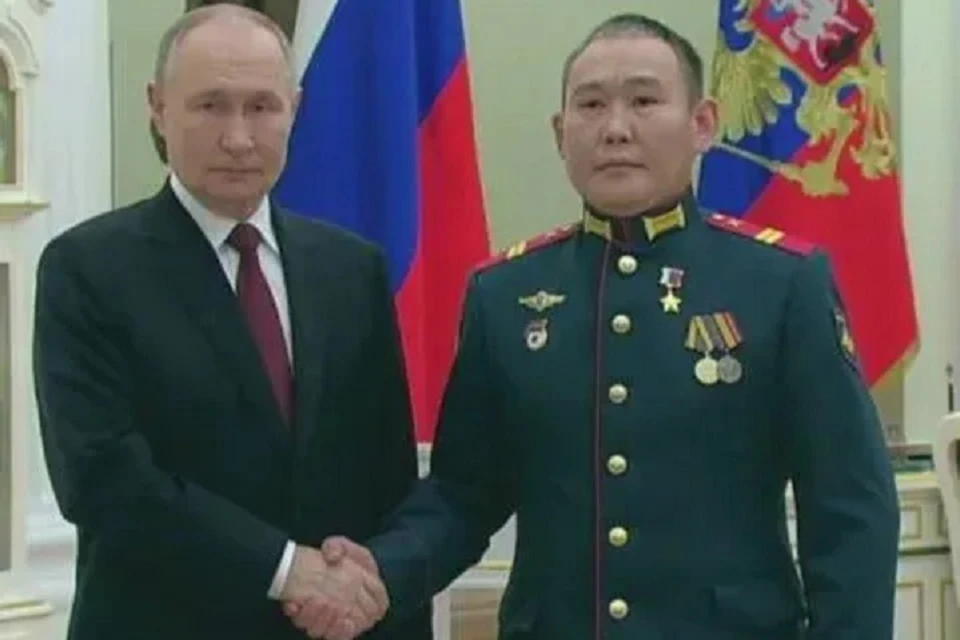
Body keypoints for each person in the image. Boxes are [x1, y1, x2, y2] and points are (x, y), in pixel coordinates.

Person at [293, 12, 901, 640]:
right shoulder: (506, 295)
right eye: (590, 105)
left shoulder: (779, 285)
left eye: (644, 101)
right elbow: (464, 495)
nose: (615, 129)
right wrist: (379, 571)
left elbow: (850, 509)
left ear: (702, 125)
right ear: (561, 134)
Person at [32, 5, 431, 640]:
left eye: (262, 107)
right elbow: (102, 478)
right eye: (211, 106)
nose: (239, 138)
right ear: (158, 107)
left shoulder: (352, 269)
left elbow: (386, 483)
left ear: (295, 108)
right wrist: (285, 570)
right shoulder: (87, 269)